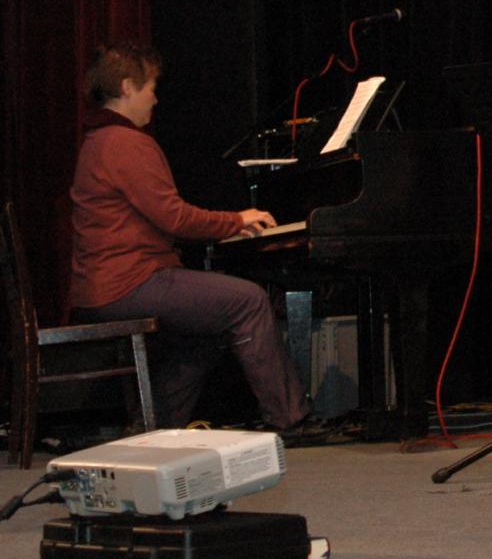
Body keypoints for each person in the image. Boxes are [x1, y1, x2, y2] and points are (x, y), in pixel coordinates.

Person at [66, 42, 313, 436]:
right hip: (129, 283)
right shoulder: (126, 143)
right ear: (127, 87)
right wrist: (236, 220)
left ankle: (152, 429)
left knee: (204, 332)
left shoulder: (98, 141)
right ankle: (289, 419)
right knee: (248, 300)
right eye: (151, 88)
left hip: (106, 284)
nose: (156, 98)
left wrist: (226, 225)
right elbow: (174, 217)